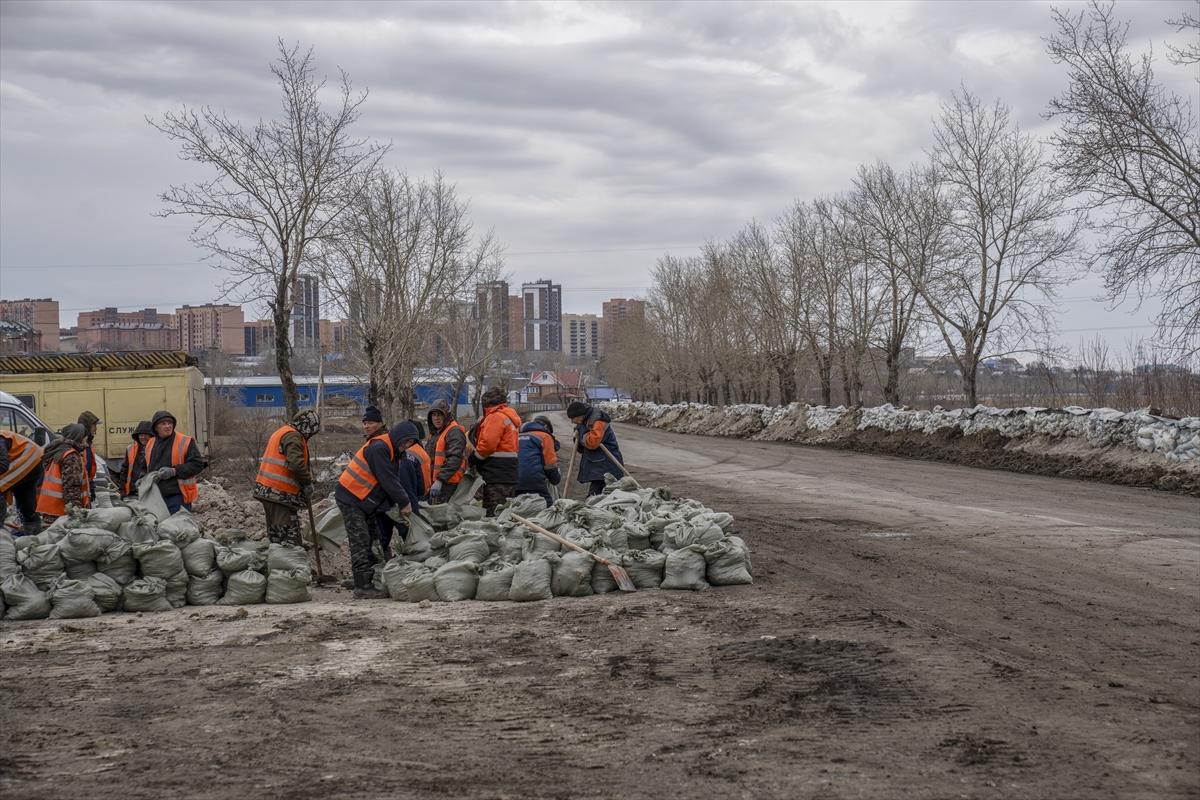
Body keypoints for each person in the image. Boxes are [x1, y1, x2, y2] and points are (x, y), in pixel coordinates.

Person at [335, 421, 422, 599]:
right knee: (360, 539)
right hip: (351, 497)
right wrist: (404, 502)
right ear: (399, 437)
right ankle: (362, 586)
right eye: (406, 442)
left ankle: (368, 576)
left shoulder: (392, 452)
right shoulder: (380, 448)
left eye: (410, 444)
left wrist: (397, 506)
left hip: (363, 500)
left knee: (372, 538)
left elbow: (391, 482)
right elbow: (387, 480)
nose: (406, 446)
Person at [252, 410, 320, 547]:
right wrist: (307, 482)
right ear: (307, 426)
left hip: (269, 491)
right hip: (279, 493)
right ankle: (291, 564)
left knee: (276, 533)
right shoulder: (293, 436)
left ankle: (280, 561)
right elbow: (296, 464)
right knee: (287, 536)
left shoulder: (283, 431)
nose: (310, 435)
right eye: (311, 431)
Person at [132, 410, 207, 515]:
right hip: (156, 497)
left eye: (170, 423)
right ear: (156, 428)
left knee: (178, 529)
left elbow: (197, 465)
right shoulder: (151, 443)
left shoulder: (185, 441)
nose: (168, 426)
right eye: (163, 424)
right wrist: (142, 478)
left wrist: (174, 471)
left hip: (178, 496)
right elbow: (146, 466)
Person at [468, 387, 521, 515]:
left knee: (494, 516)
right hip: (509, 474)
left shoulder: (495, 417)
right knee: (505, 514)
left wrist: (473, 458)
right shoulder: (509, 417)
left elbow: (488, 445)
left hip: (495, 475)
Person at [35, 424, 91, 524]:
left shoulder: (58, 451)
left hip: (50, 509)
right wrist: (75, 514)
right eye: (85, 440)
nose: (86, 444)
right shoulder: (71, 456)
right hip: (61, 512)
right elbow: (71, 488)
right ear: (78, 438)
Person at [567, 400, 624, 497]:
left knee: (603, 495)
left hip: (607, 464)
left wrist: (581, 431)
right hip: (599, 465)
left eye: (573, 418)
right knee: (598, 496)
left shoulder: (597, 421)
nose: (572, 421)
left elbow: (592, 443)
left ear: (580, 415)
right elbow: (582, 448)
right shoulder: (585, 422)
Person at [0, 429, 44, 534]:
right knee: (25, 499)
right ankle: (33, 533)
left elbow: (3, 465)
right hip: (33, 458)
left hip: (29, 458)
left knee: (1, 484)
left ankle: (0, 531)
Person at [424, 399, 467, 504]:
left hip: (448, 485)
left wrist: (440, 480)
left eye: (440, 415)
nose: (436, 418)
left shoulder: (454, 432)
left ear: (446, 416)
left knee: (442, 517)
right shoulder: (436, 434)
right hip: (437, 484)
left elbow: (454, 458)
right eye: (433, 415)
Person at [516, 415, 561, 505]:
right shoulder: (545, 436)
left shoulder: (517, 436)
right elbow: (550, 465)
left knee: (518, 505)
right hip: (534, 480)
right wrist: (556, 479)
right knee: (546, 505)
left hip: (513, 480)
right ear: (546, 428)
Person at [117, 420, 153, 499]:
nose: (143, 437)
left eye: (146, 435)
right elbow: (124, 470)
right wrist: (122, 488)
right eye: (141, 435)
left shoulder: (156, 448)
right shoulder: (130, 448)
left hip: (149, 492)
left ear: (151, 436)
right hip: (132, 492)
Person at [77, 410, 101, 499]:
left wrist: (91, 485)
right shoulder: (79, 444)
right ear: (87, 426)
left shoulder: (88, 442)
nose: (96, 429)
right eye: (94, 425)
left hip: (86, 486)